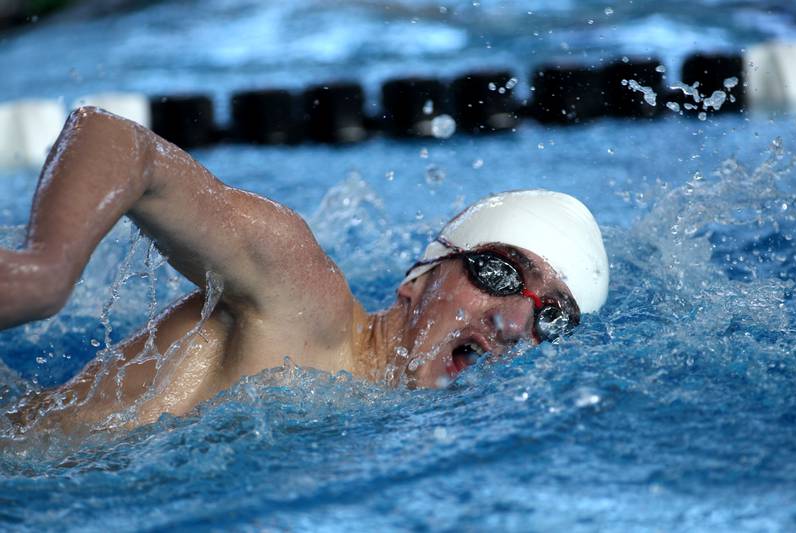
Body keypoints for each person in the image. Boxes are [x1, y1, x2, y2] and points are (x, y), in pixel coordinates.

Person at [0, 107, 608, 430]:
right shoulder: (305, 303)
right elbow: (115, 138)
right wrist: (45, 272)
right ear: (419, 278)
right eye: (498, 274)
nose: (512, 322)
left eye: (551, 317)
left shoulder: (372, 421)